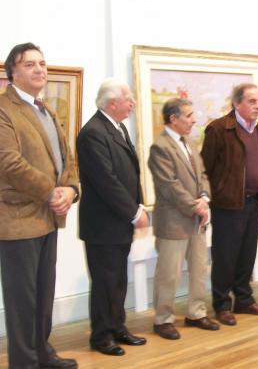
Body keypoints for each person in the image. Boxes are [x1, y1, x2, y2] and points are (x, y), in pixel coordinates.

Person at [0, 42, 78, 369]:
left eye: (42, 63)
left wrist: (71, 190)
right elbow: (8, 162)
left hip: (48, 217)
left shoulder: (46, 109)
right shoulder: (4, 108)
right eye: (30, 64)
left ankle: (42, 354)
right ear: (12, 72)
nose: (39, 69)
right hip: (17, 218)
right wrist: (51, 191)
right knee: (23, 300)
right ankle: (25, 362)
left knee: (43, 295)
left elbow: (67, 157)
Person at [77, 78, 149, 356]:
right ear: (112, 103)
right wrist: (133, 212)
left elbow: (131, 172)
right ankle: (102, 336)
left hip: (119, 222)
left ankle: (118, 328)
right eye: (128, 99)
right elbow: (106, 181)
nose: (132, 103)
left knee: (118, 279)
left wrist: (140, 204)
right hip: (103, 225)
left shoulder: (117, 128)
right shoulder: (93, 132)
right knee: (105, 281)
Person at [148, 98, 219, 340]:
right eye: (188, 115)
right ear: (173, 119)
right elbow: (169, 186)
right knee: (169, 273)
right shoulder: (160, 147)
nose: (193, 120)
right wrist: (195, 206)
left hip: (197, 220)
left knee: (200, 269)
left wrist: (205, 198)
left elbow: (202, 175)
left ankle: (196, 313)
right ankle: (163, 319)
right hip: (173, 221)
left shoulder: (188, 142)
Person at [201, 83, 258, 326]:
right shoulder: (219, 129)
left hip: (253, 203)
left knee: (247, 255)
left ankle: (244, 299)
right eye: (252, 101)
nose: (257, 106)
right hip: (227, 205)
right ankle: (221, 305)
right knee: (225, 257)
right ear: (237, 104)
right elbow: (205, 169)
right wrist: (212, 196)